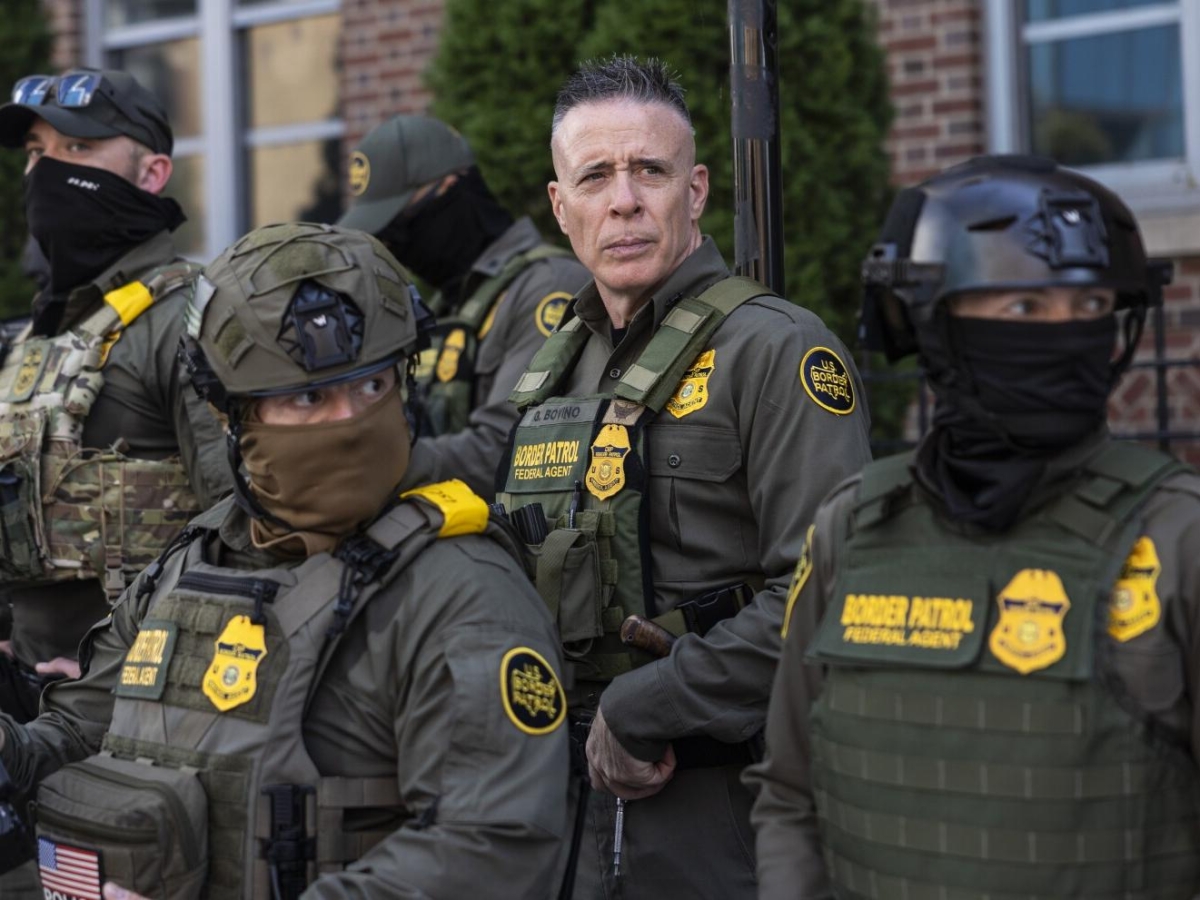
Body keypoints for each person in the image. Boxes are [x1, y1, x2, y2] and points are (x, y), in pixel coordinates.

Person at [0, 222, 569, 899]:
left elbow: (491, 848)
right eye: (308, 398)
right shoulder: (192, 558)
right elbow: (81, 734)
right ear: (229, 414)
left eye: (373, 386)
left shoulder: (461, 591)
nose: (349, 422)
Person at [747, 154, 1200, 898]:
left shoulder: (1178, 540)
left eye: (1090, 308)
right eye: (1024, 310)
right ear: (933, 325)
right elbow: (792, 797)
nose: (1066, 335)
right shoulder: (852, 528)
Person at [494, 56, 873, 899]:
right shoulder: (551, 369)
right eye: (595, 176)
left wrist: (653, 704)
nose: (624, 200)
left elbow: (833, 592)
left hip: (724, 813)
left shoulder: (775, 351)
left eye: (650, 171)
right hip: (560, 812)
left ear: (695, 191)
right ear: (561, 206)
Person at [0, 67, 230, 722]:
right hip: (31, 714)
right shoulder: (38, 333)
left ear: (152, 174)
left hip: (148, 709)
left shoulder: (193, 321)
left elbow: (246, 534)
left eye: (77, 148)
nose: (46, 172)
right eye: (37, 152)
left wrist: (121, 674)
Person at [337, 114, 589, 497]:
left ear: (452, 191)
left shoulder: (547, 288)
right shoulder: (448, 303)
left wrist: (361, 464)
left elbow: (509, 448)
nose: (396, 246)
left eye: (402, 224)